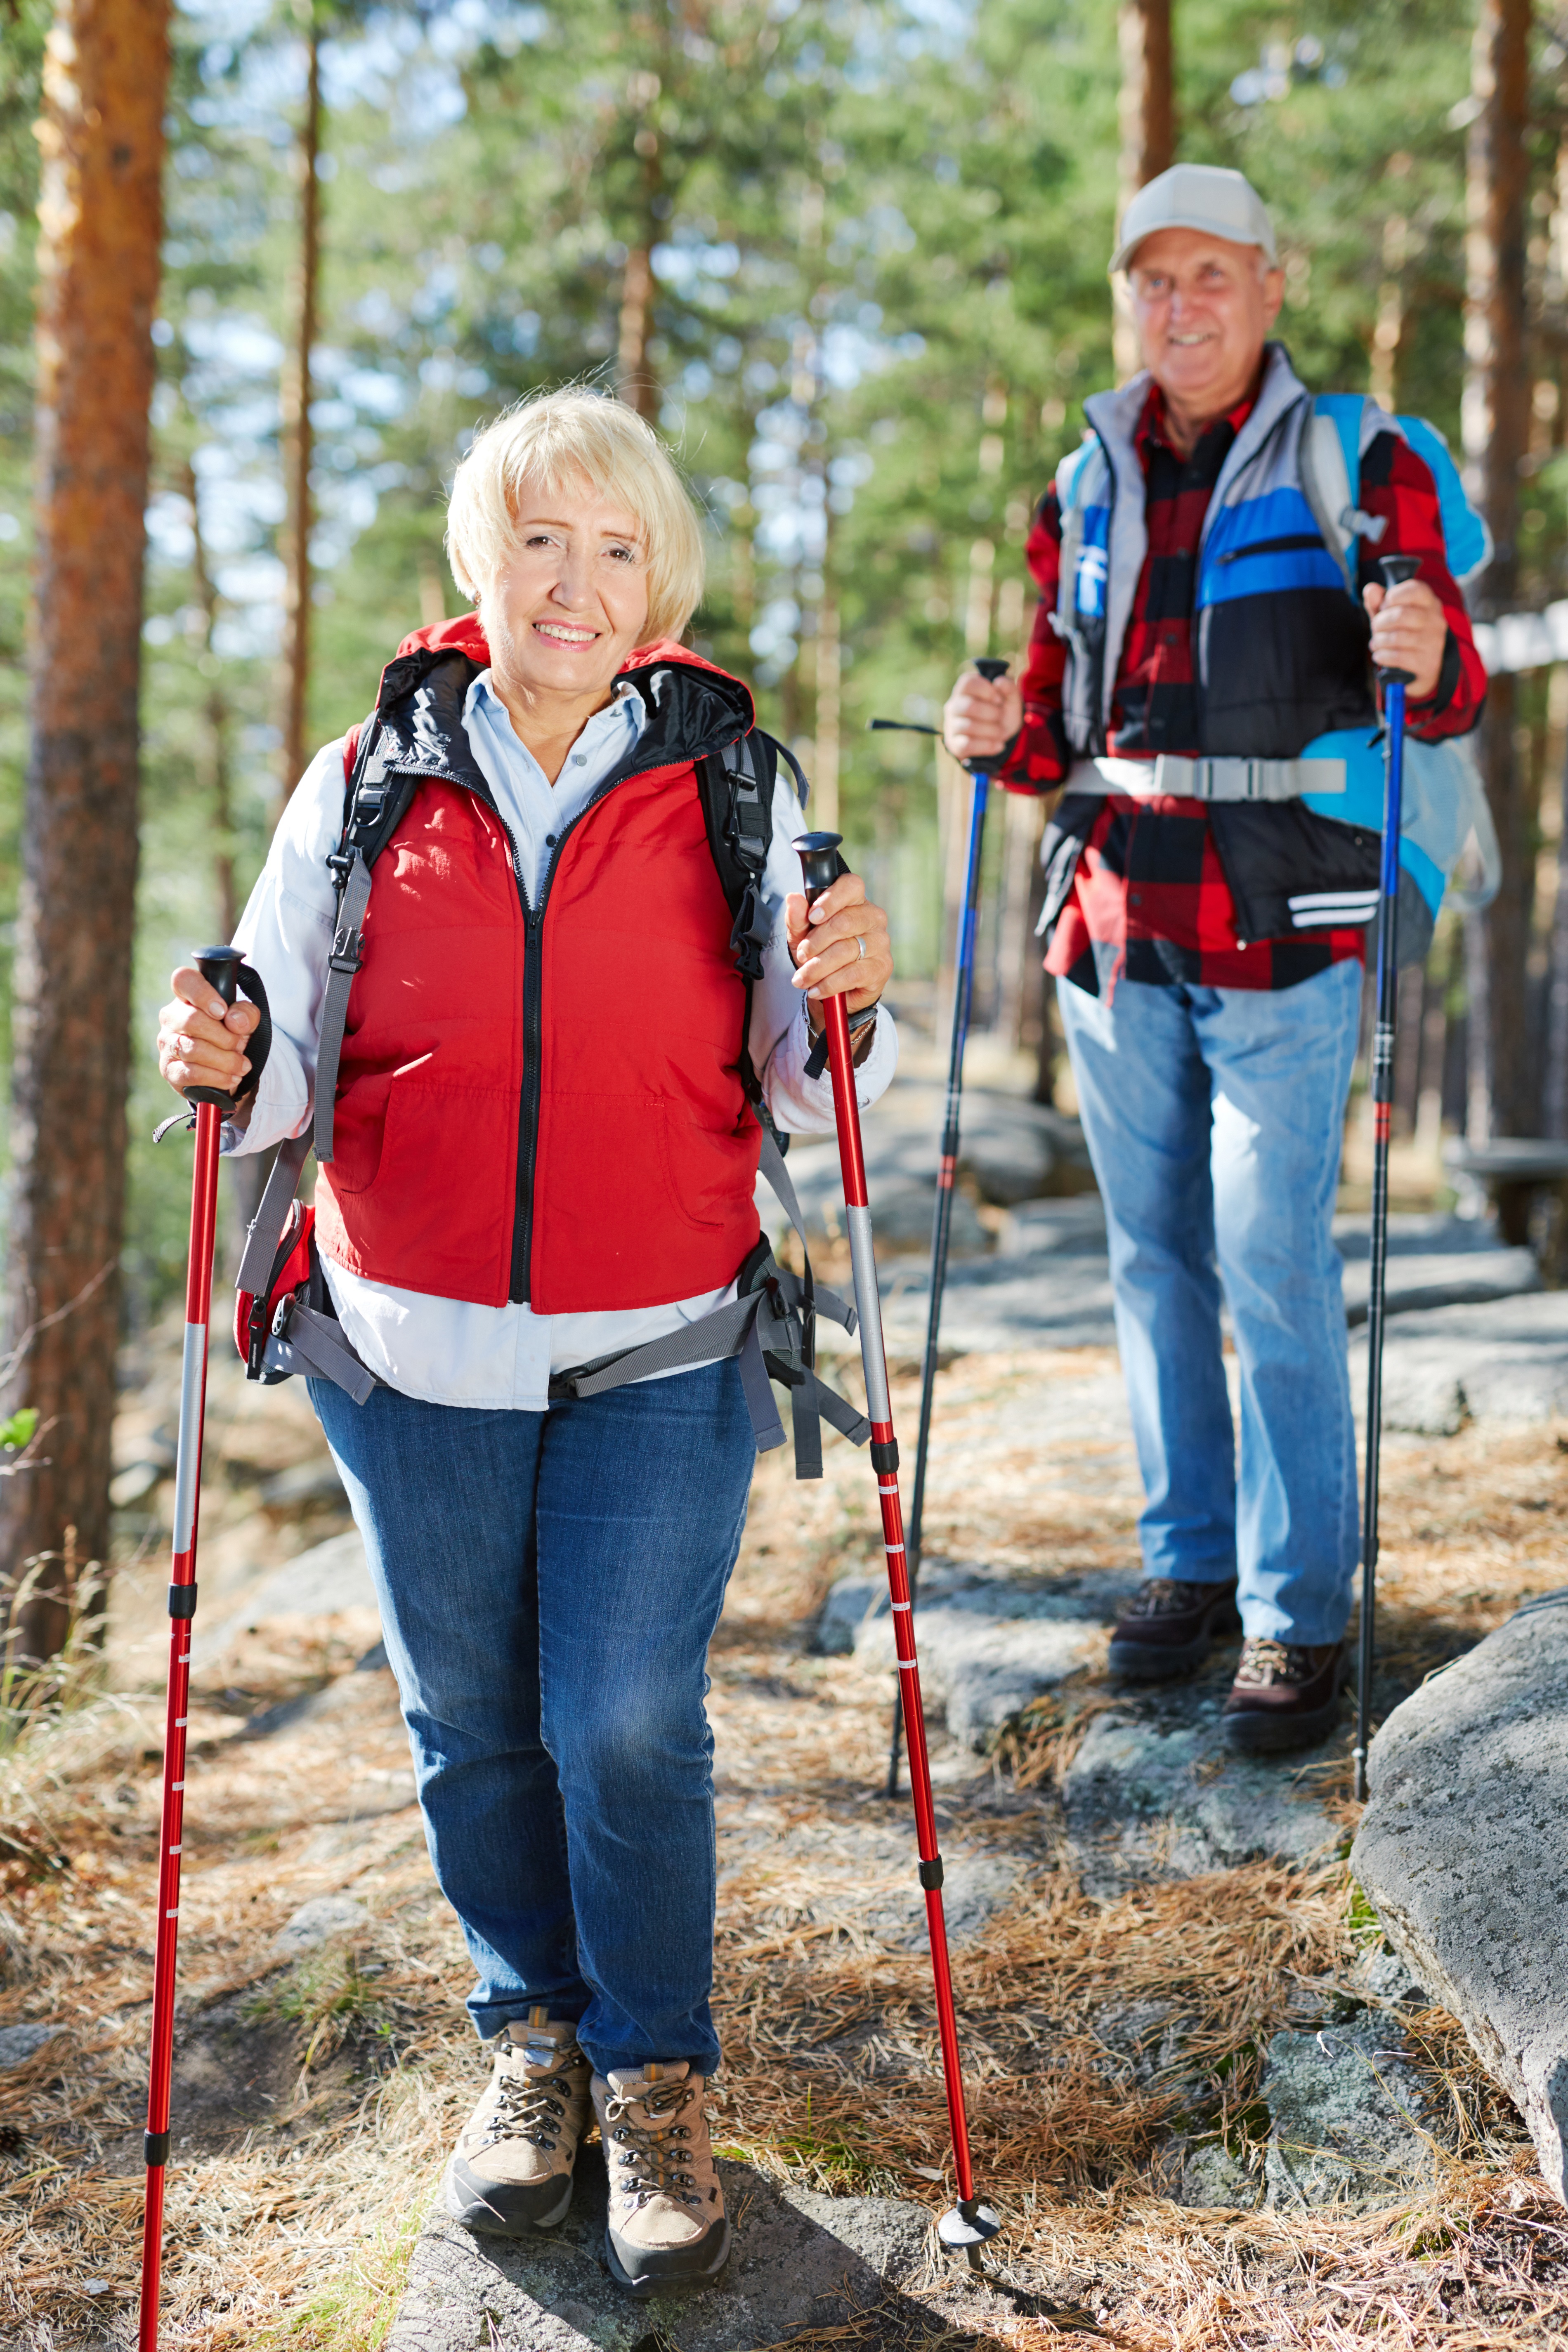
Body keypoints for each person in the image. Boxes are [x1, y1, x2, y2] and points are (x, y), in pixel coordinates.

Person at [156, 390, 896, 2293]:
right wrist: (223, 1055)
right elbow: (281, 1064)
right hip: (406, 1354)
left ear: (661, 581)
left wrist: (852, 998)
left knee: (622, 1720)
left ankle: (653, 2070)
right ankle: (531, 2047)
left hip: (660, 1344)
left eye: (617, 548)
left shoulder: (734, 780)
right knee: (468, 1728)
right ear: (474, 566)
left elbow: (808, 1102)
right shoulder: (366, 781)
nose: (575, 584)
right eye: (540, 543)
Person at [943, 164, 1485, 1755]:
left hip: (1286, 920)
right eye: (1153, 282)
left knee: (1268, 1258)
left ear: (1268, 284)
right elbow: (1053, 729)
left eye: (1210, 277)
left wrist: (1432, 652)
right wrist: (998, 729)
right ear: (1131, 299)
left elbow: (1441, 694)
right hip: (1119, 916)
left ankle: (1298, 1610)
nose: (1180, 308)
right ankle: (1184, 1566)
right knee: (1153, 1257)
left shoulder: (1358, 458)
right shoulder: (1083, 480)